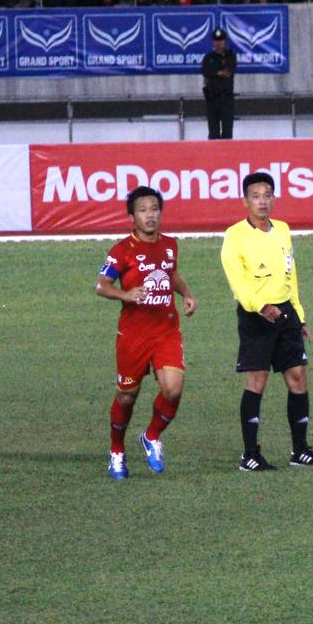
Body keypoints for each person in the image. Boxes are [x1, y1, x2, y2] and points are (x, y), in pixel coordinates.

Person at [220, 171, 313, 471]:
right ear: (245, 201)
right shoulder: (234, 235)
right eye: (256, 196)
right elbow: (237, 282)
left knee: (298, 378)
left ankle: (300, 451)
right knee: (257, 381)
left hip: (286, 315)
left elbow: (289, 275)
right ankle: (250, 455)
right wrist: (260, 305)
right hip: (256, 316)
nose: (262, 201)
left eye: (267, 195)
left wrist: (299, 315)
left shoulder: (282, 230)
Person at [94, 187, 196, 480]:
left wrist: (186, 294)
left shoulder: (169, 245)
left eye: (154, 209)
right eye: (143, 210)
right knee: (127, 396)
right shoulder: (122, 250)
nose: (150, 215)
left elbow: (170, 273)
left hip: (166, 330)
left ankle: (151, 436)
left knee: (173, 389)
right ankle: (116, 451)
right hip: (133, 335)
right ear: (131, 216)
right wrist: (125, 295)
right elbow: (101, 285)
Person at [201, 29, 237, 141]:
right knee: (213, 133)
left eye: (221, 40)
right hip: (212, 99)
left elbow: (227, 73)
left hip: (226, 99)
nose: (218, 43)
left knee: (227, 132)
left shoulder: (230, 56)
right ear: (213, 42)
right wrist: (217, 73)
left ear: (225, 41)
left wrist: (214, 73)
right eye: (216, 41)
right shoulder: (208, 58)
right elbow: (206, 74)